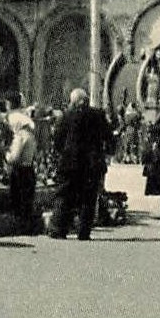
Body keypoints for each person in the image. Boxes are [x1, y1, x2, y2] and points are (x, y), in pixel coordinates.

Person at [49, 88, 111, 240]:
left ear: (73, 101)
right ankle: (84, 231)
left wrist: (62, 153)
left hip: (69, 162)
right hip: (91, 163)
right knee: (88, 197)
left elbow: (57, 139)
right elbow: (108, 136)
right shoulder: (98, 115)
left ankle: (59, 229)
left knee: (64, 195)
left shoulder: (65, 116)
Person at [4, 95, 39, 237]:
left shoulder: (20, 137)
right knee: (27, 201)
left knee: (19, 201)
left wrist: (5, 154)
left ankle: (21, 227)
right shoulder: (30, 136)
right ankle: (28, 226)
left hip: (20, 172)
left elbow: (14, 158)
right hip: (29, 169)